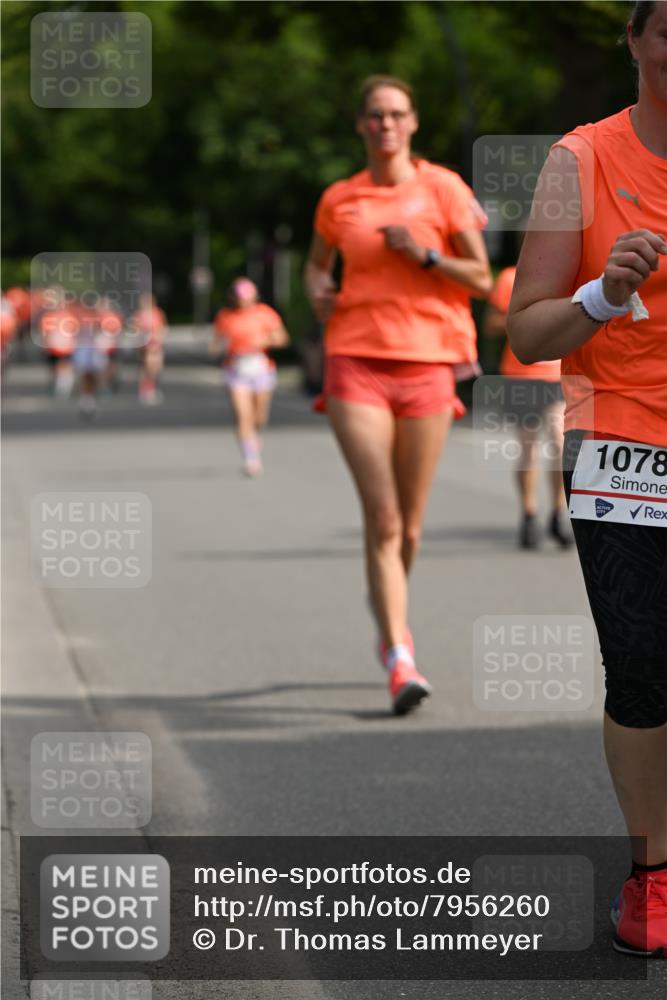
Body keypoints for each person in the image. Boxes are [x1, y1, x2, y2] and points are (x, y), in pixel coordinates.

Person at [507, 0, 667, 958]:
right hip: (621, 437)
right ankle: (652, 876)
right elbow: (527, 329)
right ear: (635, 39)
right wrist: (603, 294)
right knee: (643, 663)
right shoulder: (581, 160)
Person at [304, 75, 491, 715]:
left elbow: (482, 277)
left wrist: (424, 254)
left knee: (409, 525)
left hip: (429, 363)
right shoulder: (340, 198)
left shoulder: (444, 189)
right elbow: (315, 264)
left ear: (413, 123)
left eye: (397, 114)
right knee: (382, 517)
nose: (386, 124)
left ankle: (388, 608)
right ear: (361, 125)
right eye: (375, 115)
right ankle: (399, 654)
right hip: (355, 359)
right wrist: (317, 290)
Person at [485, 264, 572, 549]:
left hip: (557, 376)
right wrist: (527, 322)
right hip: (521, 376)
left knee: (559, 444)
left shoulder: (571, 275)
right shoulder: (510, 277)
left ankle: (557, 514)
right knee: (529, 449)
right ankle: (529, 514)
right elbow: (491, 324)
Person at [211, 278, 289, 476]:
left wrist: (264, 341)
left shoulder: (265, 314)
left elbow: (282, 338)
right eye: (240, 297)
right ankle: (251, 458)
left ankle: (255, 436)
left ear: (254, 296)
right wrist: (221, 346)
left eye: (246, 297)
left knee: (259, 416)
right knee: (243, 415)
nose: (243, 301)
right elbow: (215, 344)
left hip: (261, 369)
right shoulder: (225, 316)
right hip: (236, 370)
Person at [131, 293, 167, 405]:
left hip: (155, 345)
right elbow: (135, 331)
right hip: (144, 346)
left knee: (154, 368)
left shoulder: (157, 313)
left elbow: (162, 328)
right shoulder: (139, 315)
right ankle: (145, 389)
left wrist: (159, 339)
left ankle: (151, 389)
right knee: (144, 368)